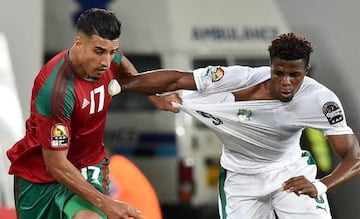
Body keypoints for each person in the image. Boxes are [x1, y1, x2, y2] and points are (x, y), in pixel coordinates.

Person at [116, 32, 360, 219]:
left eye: (294, 75)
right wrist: (121, 86)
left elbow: (354, 157)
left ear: (306, 71)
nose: (285, 82)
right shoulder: (237, 79)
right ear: (271, 66)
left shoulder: (320, 100)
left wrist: (320, 185)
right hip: (240, 177)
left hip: (288, 173)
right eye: (279, 73)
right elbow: (178, 78)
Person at [6, 8, 178, 219]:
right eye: (99, 51)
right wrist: (109, 205)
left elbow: (129, 72)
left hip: (88, 165)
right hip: (42, 176)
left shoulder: (109, 59)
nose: (106, 62)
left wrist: (154, 97)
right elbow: (55, 164)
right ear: (79, 43)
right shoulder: (57, 90)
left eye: (112, 51)